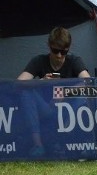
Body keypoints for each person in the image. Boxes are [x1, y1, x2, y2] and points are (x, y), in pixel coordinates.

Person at [17, 27, 91, 156]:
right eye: (55, 50)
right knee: (26, 93)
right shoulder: (39, 60)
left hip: (69, 109)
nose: (59, 55)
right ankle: (38, 145)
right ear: (48, 46)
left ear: (69, 48)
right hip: (46, 108)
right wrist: (40, 82)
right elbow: (18, 83)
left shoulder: (74, 61)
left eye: (63, 52)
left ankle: (82, 143)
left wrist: (66, 93)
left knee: (84, 95)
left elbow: (89, 82)